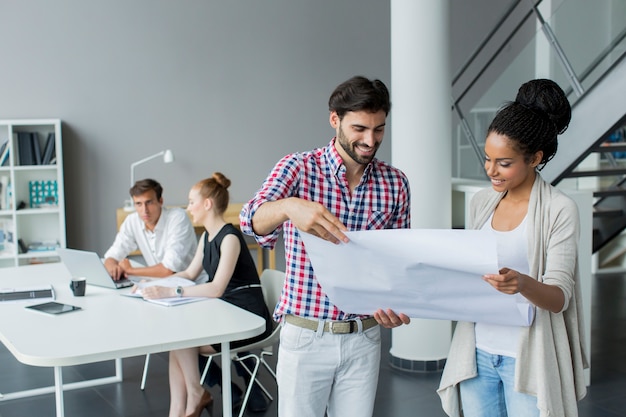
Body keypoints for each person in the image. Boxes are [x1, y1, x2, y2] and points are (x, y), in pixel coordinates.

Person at [240, 75, 411, 417]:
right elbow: (250, 220)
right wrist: (289, 206)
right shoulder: (298, 168)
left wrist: (395, 301)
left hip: (364, 337)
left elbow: (397, 259)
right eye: (359, 128)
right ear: (335, 119)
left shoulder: (396, 183)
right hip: (306, 338)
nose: (370, 139)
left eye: (379, 129)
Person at [436, 79, 588, 416]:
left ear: (535, 158)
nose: (491, 170)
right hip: (476, 354)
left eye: (503, 163)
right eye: (488, 158)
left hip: (528, 359)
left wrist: (522, 284)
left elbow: (560, 297)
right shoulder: (481, 203)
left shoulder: (559, 209)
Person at [139, 173, 273, 417]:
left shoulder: (230, 237)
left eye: (192, 202)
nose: (188, 207)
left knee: (181, 338)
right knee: (177, 338)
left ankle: (195, 396)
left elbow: (216, 288)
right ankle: (180, 408)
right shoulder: (206, 237)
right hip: (226, 309)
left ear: (207, 204)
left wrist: (170, 291)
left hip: (247, 315)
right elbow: (190, 273)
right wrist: (149, 283)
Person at [103, 178, 197, 280]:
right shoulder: (132, 221)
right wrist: (112, 267)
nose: (144, 210)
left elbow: (168, 270)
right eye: (138, 204)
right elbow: (113, 254)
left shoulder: (177, 218)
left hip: (192, 286)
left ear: (160, 201)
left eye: (149, 202)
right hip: (160, 286)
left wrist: (130, 270)